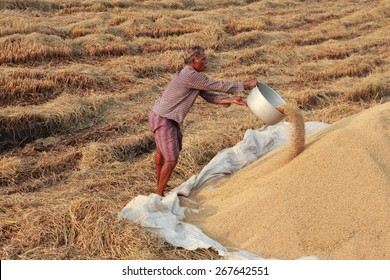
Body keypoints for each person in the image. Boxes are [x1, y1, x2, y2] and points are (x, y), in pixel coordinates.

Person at [148, 45, 257, 196]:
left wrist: (231, 100)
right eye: (204, 59)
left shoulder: (192, 76)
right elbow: (218, 85)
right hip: (164, 118)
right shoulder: (191, 75)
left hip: (163, 115)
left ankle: (159, 186)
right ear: (194, 60)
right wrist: (245, 85)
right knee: (171, 160)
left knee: (163, 151)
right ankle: (158, 195)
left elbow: (209, 96)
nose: (206, 62)